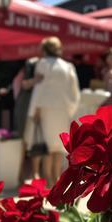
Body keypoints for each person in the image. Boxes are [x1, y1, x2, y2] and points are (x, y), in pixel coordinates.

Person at [26, 36, 79, 185]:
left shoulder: (42, 64)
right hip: (62, 109)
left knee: (48, 147)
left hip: (46, 109)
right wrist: (70, 109)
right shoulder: (68, 66)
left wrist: (34, 110)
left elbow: (39, 88)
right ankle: (57, 179)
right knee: (58, 147)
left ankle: (49, 181)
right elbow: (74, 91)